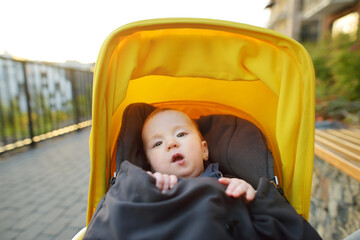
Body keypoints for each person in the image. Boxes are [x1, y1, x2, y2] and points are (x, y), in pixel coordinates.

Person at [141, 108, 256, 203]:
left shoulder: (227, 183)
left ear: (204, 150)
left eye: (181, 134)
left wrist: (247, 193)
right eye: (158, 143)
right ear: (150, 165)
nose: (171, 143)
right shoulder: (150, 189)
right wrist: (149, 191)